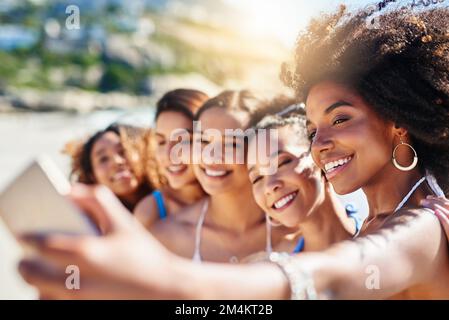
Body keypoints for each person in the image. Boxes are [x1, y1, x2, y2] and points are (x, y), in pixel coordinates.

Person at [19, 5, 449, 299]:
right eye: (312, 128)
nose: (320, 144)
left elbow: (330, 279)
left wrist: (170, 280)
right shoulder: (383, 219)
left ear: (398, 118)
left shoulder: (422, 224)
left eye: (339, 120)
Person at [151, 90, 293, 263]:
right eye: (203, 141)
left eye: (231, 144)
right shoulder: (165, 237)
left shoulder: (296, 233)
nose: (211, 156)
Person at [247, 97, 362, 254]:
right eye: (257, 178)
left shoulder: (386, 237)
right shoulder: (277, 267)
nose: (269, 185)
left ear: (319, 156)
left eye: (282, 163)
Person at [134, 89, 208, 229]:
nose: (169, 154)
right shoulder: (150, 213)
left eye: (182, 140)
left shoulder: (234, 197)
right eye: (161, 142)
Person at [64, 124, 152, 211]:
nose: (117, 161)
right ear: (92, 176)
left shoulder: (164, 198)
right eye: (103, 159)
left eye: (122, 151)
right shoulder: (92, 221)